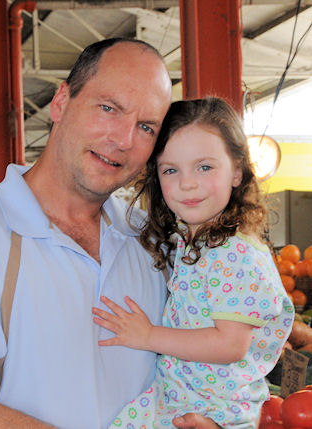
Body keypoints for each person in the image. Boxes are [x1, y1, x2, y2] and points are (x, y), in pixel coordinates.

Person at [0, 39, 218, 429]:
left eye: (146, 126)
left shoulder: (153, 239)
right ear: (61, 102)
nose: (123, 139)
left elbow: (197, 360)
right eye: (108, 108)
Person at [93, 97, 295, 428]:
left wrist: (148, 336)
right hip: (190, 399)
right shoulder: (198, 244)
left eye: (204, 167)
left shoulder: (234, 253)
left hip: (210, 410)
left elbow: (230, 344)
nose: (187, 182)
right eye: (171, 170)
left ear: (237, 171)